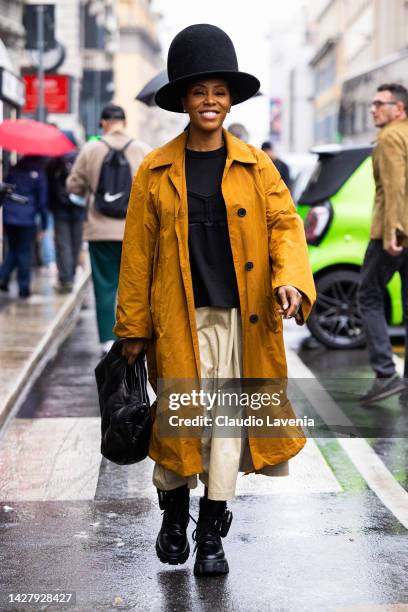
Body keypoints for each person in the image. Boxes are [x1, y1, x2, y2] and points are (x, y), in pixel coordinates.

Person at [114, 24, 316, 577]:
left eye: (220, 91)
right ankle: (174, 513)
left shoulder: (256, 165)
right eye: (199, 91)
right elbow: (136, 254)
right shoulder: (154, 170)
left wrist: (291, 280)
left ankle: (211, 530)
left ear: (231, 99)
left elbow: (284, 226)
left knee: (226, 429)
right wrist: (132, 329)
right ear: (183, 99)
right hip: (176, 321)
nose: (210, 101)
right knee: (180, 425)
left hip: (239, 321)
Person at [66, 104, 150, 354]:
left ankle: (107, 339)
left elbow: (74, 186)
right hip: (134, 231)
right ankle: (133, 335)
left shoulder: (91, 149)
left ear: (104, 123)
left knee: (104, 285)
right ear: (124, 122)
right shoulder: (142, 149)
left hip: (99, 230)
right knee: (134, 286)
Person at [359, 83, 408, 405]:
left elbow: (395, 186)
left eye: (380, 103)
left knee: (368, 296)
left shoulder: (390, 136)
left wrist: (394, 231)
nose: (374, 109)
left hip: (392, 232)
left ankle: (385, 373)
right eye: (373, 103)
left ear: (398, 109)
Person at [0, 155, 48, 298]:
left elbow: (5, 191)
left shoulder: (14, 169)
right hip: (27, 218)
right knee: (24, 252)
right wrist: (44, 224)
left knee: (13, 249)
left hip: (9, 216)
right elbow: (42, 201)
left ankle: (3, 277)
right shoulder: (39, 172)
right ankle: (23, 287)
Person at [47, 130, 84, 293]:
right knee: (76, 243)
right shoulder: (80, 157)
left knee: (63, 244)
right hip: (79, 208)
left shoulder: (54, 161)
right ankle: (71, 274)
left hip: (60, 210)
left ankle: (66, 278)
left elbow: (48, 186)